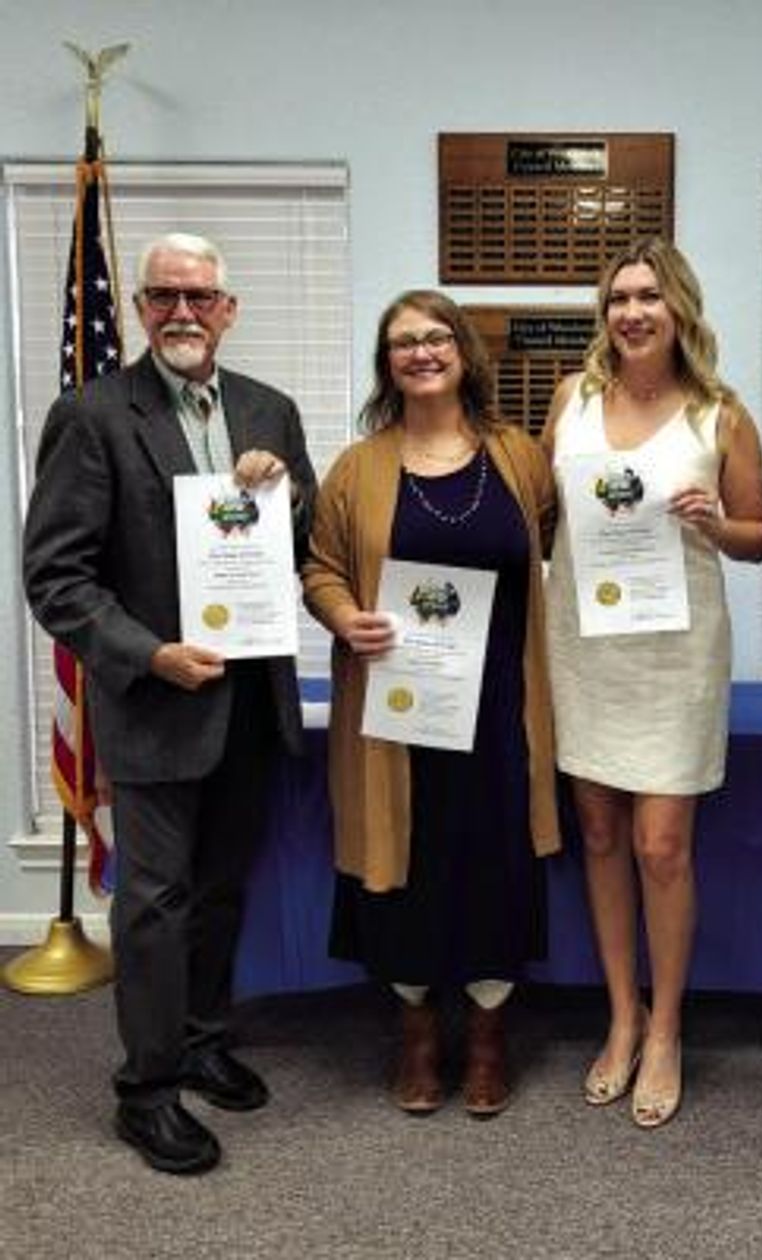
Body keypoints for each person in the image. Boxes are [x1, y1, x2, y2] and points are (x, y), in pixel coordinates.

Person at [23, 232, 317, 1174]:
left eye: (202, 296)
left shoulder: (270, 409)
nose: (183, 312)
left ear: (229, 310)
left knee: (223, 887)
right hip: (156, 703)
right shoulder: (94, 415)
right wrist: (149, 655)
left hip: (250, 700)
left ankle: (199, 1040)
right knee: (154, 900)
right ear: (144, 309)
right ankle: (146, 1089)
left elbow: (291, 537)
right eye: (164, 296)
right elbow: (56, 578)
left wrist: (289, 491)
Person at [302, 290, 560, 1117]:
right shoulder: (357, 468)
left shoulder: (518, 456)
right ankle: (416, 1031)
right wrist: (344, 616)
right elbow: (321, 568)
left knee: (494, 862)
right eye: (403, 342)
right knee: (401, 868)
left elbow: (556, 541)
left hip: (499, 709)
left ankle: (486, 1036)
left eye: (436, 336)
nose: (421, 351)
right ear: (388, 363)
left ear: (463, 353)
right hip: (397, 708)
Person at [543, 238, 762, 1128]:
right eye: (616, 299)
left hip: (675, 649)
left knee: (661, 846)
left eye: (648, 297)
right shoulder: (573, 399)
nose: (631, 313)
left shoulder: (720, 414)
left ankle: (669, 1027)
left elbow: (760, 535)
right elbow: (540, 510)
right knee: (597, 833)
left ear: (680, 307)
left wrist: (717, 522)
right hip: (585, 640)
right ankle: (621, 1015)